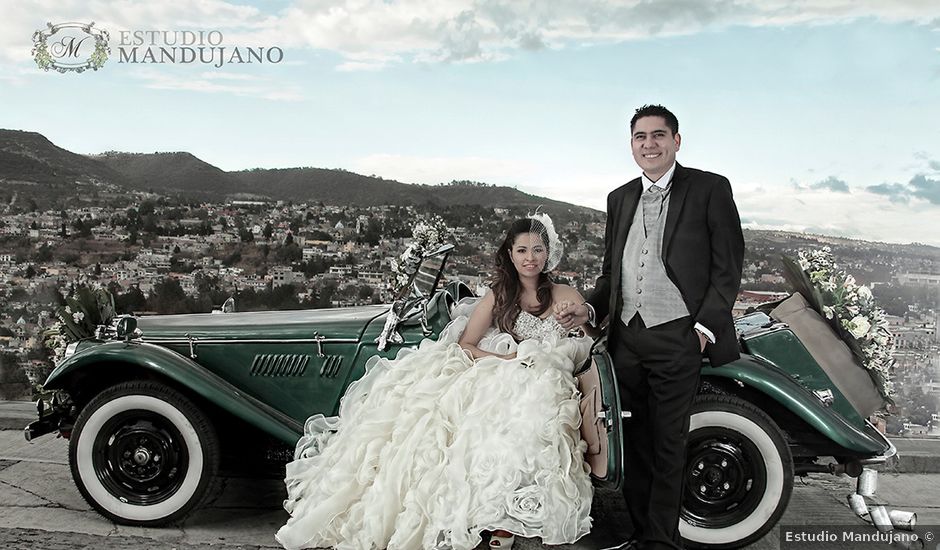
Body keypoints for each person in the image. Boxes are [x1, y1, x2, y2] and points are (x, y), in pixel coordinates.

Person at [276, 214, 596, 550]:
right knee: (482, 418)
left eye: (538, 249)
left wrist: (582, 318)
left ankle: (516, 510)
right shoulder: (498, 295)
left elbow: (591, 337)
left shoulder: (565, 292)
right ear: (510, 254)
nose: (530, 258)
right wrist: (507, 360)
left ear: (549, 254)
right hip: (503, 368)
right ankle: (490, 515)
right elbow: (467, 345)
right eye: (522, 250)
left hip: (547, 377)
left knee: (537, 404)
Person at [556, 104, 744, 550]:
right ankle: (642, 532)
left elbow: (728, 267)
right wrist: (590, 310)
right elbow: (611, 274)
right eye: (641, 137)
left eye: (659, 135)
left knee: (668, 440)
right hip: (627, 336)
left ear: (676, 141)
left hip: (679, 333)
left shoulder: (710, 189)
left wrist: (703, 329)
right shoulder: (619, 198)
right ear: (632, 145)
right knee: (632, 436)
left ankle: (662, 541)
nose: (650, 144)